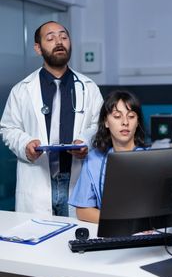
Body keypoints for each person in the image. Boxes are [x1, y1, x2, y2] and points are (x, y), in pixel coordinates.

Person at [0, 21, 103, 217]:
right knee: (39, 242)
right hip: (37, 183)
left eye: (63, 37)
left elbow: (99, 126)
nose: (59, 42)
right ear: (38, 48)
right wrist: (25, 144)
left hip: (77, 180)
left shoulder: (89, 88)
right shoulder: (22, 90)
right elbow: (8, 128)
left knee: (76, 240)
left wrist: (86, 141)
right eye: (51, 38)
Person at [69, 89, 146, 223]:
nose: (125, 122)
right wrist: (121, 223)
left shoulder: (150, 159)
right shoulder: (94, 160)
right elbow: (82, 210)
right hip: (109, 232)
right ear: (106, 122)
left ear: (137, 122)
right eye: (117, 116)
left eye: (131, 116)